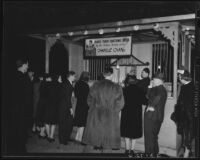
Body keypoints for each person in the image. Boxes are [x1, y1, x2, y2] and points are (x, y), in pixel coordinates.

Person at [82, 70, 124, 152]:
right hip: (110, 118)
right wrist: (113, 111)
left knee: (91, 142)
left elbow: (89, 100)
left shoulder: (95, 86)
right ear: (111, 75)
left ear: (103, 75)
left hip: (95, 116)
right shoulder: (116, 87)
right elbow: (121, 103)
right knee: (108, 144)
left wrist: (95, 109)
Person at [9, 58, 32, 154]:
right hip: (22, 108)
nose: (28, 66)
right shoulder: (24, 78)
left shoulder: (12, 76)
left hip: (13, 108)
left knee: (15, 128)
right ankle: (21, 150)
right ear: (23, 65)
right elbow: (28, 95)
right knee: (21, 130)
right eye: (27, 64)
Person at [171, 70, 194, 157]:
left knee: (187, 135)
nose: (178, 78)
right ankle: (188, 151)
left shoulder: (189, 87)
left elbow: (186, 104)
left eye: (179, 76)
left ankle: (186, 154)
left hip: (188, 117)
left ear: (183, 77)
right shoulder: (187, 86)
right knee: (187, 135)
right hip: (185, 116)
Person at [144, 72, 167, 156]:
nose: (152, 80)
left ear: (159, 80)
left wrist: (151, 106)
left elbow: (158, 97)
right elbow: (147, 96)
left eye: (154, 79)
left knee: (149, 137)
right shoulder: (157, 88)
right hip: (157, 116)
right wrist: (149, 87)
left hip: (152, 116)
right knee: (153, 137)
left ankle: (149, 154)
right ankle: (154, 153)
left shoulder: (160, 89)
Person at [120, 74, 144, 157]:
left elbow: (120, 102)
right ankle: (132, 150)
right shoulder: (140, 90)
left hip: (126, 113)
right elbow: (145, 101)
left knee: (127, 132)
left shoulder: (124, 90)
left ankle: (127, 150)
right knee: (134, 133)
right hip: (136, 114)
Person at [58, 71, 76, 145]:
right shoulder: (67, 84)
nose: (75, 77)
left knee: (69, 123)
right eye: (74, 76)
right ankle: (63, 140)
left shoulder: (69, 83)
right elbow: (67, 98)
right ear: (70, 76)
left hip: (65, 106)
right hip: (64, 107)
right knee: (64, 124)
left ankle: (66, 137)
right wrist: (70, 108)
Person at [74, 71, 90, 143]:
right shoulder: (86, 85)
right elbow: (88, 97)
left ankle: (77, 137)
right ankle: (79, 138)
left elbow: (76, 94)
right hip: (84, 105)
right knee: (83, 123)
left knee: (80, 122)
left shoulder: (77, 83)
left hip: (78, 104)